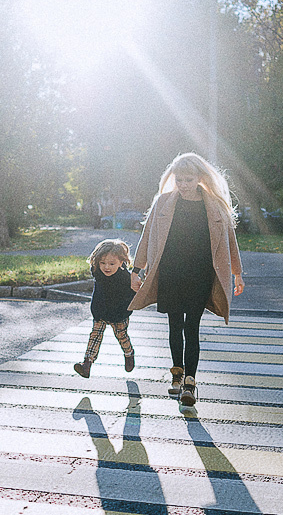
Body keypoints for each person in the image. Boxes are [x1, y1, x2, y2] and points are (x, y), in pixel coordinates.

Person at [128, 153, 243, 406]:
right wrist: (137, 270)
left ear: (200, 178)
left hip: (200, 274)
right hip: (170, 273)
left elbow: (229, 240)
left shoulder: (214, 205)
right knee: (174, 326)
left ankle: (190, 382)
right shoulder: (164, 202)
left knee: (192, 328)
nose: (183, 184)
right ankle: (177, 375)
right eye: (179, 179)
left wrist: (237, 273)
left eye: (188, 179)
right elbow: (147, 236)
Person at [73, 238, 137, 379]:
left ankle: (129, 353)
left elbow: (133, 295)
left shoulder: (126, 278)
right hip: (100, 311)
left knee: (121, 336)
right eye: (102, 263)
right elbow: (96, 268)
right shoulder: (98, 272)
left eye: (111, 263)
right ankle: (87, 363)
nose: (106, 267)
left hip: (119, 313)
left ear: (121, 262)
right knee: (95, 336)